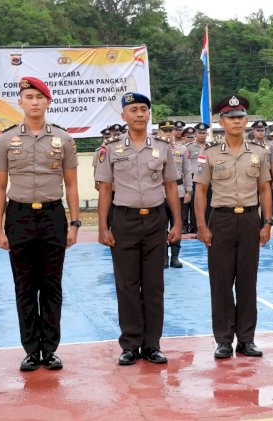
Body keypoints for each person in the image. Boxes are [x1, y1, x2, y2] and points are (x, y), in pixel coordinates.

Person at [0, 76, 80, 371]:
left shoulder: (63, 139)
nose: (34, 102)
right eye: (28, 97)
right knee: (25, 287)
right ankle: (31, 349)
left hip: (53, 216)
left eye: (39, 98)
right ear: (20, 102)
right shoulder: (5, 140)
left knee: (52, 285)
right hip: (19, 217)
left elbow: (71, 185)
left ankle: (50, 349)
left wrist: (75, 222)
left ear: (47, 102)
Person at [96, 92, 181, 366]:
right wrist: (102, 226)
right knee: (127, 284)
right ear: (124, 115)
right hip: (124, 219)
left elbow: (170, 187)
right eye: (133, 110)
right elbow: (105, 190)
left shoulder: (162, 147)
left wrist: (177, 222)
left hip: (156, 219)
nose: (140, 114)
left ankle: (152, 344)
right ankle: (131, 344)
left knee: (154, 285)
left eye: (144, 109)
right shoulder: (110, 149)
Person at [193, 94, 272, 359]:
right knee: (221, 282)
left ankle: (247, 339)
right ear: (222, 121)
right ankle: (224, 340)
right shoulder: (210, 154)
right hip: (222, 220)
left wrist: (267, 222)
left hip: (250, 220)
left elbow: (265, 189)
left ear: (246, 120)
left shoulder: (259, 153)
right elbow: (201, 191)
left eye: (240, 117)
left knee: (248, 282)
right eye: (231, 117)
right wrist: (202, 226)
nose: (236, 121)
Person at [164, 125, 192, 267]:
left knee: (177, 223)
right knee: (161, 226)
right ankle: (163, 257)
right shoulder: (155, 150)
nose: (168, 134)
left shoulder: (182, 150)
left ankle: (174, 257)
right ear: (159, 132)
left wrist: (189, 190)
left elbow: (187, 171)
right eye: (165, 131)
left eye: (170, 131)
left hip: (179, 191)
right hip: (159, 193)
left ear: (174, 133)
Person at [186, 122, 210, 233]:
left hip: (208, 179)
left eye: (204, 133)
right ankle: (196, 227)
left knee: (209, 203)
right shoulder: (189, 147)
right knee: (196, 203)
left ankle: (209, 225)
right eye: (200, 133)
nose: (202, 135)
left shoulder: (211, 147)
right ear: (196, 133)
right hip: (194, 178)